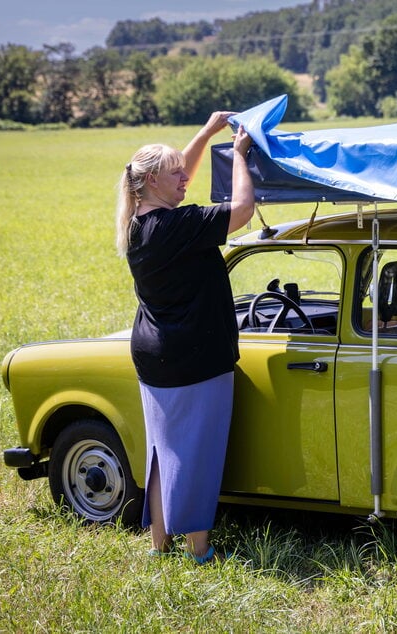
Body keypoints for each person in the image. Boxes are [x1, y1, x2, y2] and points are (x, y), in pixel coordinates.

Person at [115, 112, 255, 563]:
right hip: (194, 354)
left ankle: (160, 545)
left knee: (163, 450)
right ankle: (199, 550)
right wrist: (237, 156)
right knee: (198, 449)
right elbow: (242, 211)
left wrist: (206, 133)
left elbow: (181, 177)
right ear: (153, 180)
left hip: (154, 354)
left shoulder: (139, 223)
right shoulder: (177, 226)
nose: (186, 178)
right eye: (176, 172)